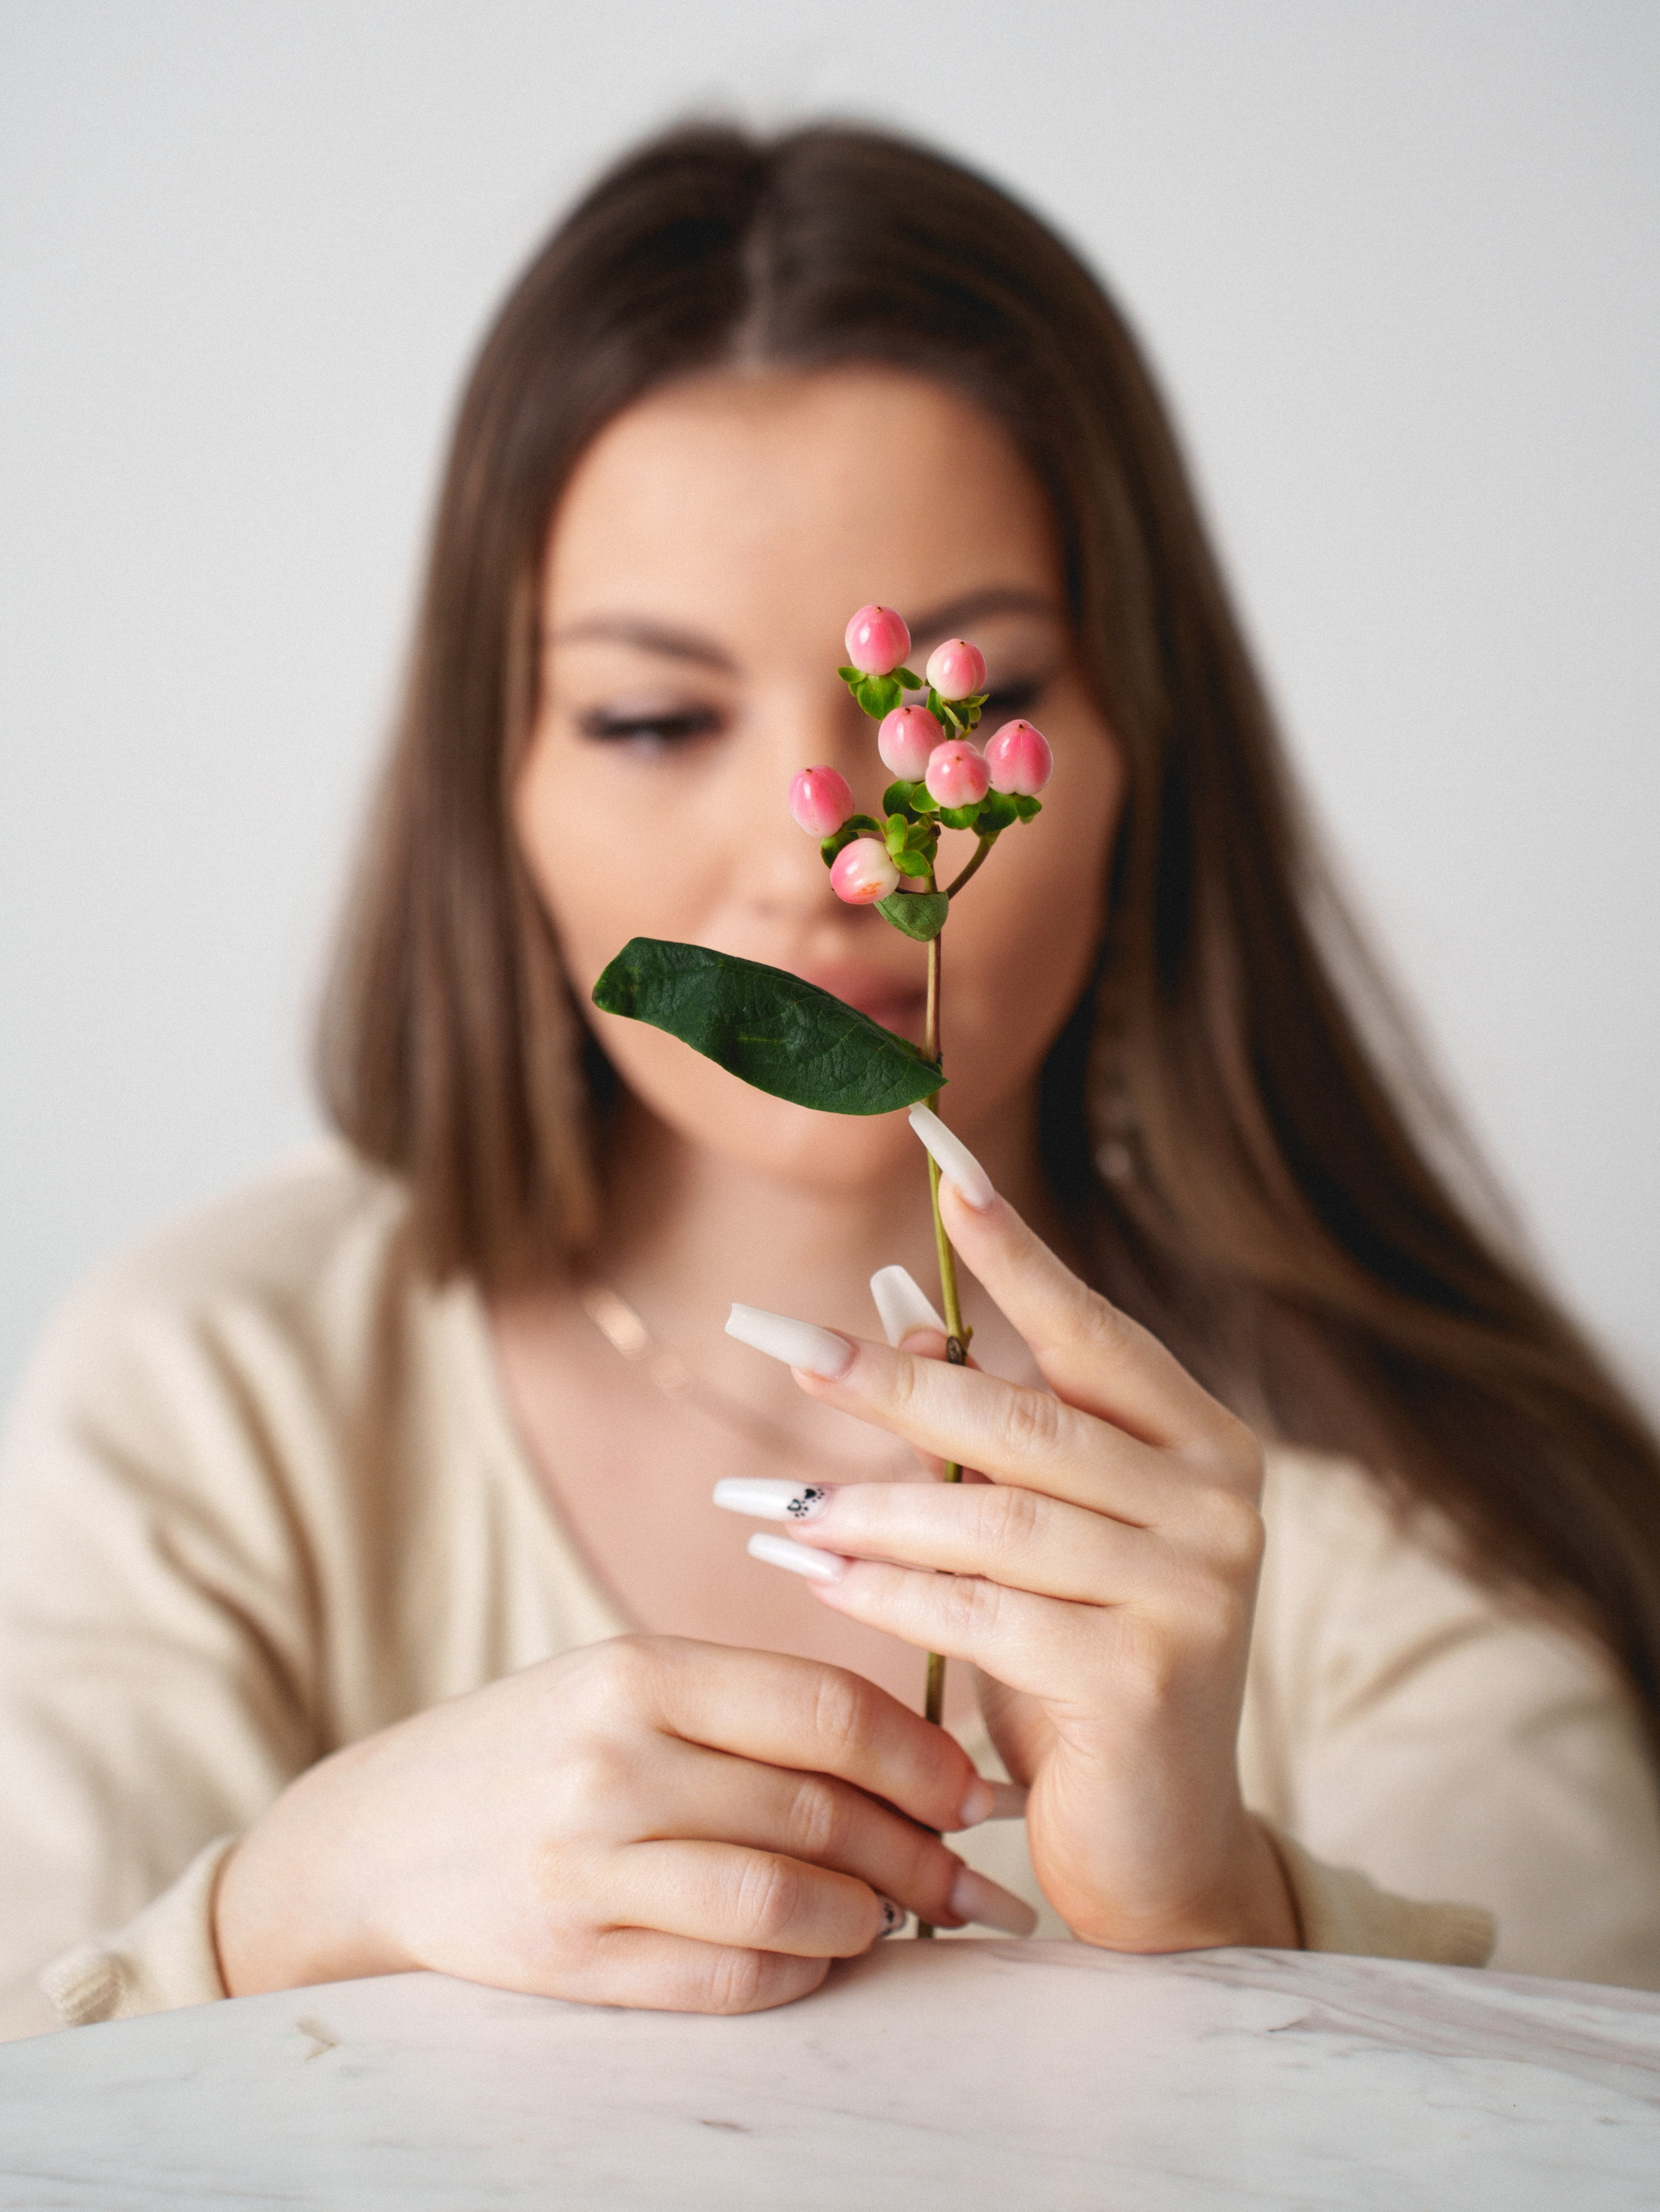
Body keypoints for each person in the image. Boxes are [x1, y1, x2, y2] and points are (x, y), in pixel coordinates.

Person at [4, 123, 1659, 2045]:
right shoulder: (220, 1392)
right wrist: (295, 1901)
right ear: (496, 786)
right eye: (652, 717)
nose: (822, 851)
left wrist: (1211, 1904)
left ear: (1144, 756)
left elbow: (1580, 2095)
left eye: (956, 705)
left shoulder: (1411, 1473)